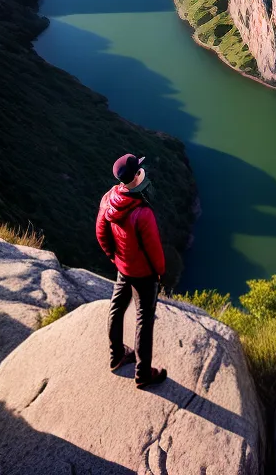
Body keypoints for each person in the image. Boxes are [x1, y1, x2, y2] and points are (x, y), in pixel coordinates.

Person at [96, 153, 167, 388]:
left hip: (123, 267)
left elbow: (101, 232)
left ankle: (116, 355)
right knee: (144, 320)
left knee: (116, 307)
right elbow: (154, 250)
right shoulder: (142, 213)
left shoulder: (109, 198)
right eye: (140, 169)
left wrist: (114, 257)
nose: (143, 170)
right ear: (137, 176)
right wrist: (160, 272)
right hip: (144, 274)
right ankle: (143, 374)